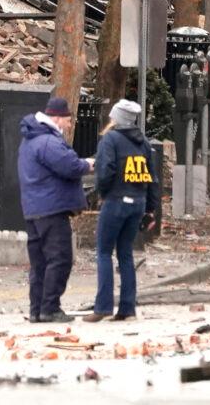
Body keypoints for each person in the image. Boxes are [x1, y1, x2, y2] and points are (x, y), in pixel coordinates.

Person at [83, 99, 159, 322]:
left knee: (104, 252)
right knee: (125, 254)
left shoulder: (111, 140)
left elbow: (105, 171)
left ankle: (104, 306)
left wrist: (103, 194)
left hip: (115, 200)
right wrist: (151, 209)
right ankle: (127, 308)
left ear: (117, 118)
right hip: (137, 203)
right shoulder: (143, 143)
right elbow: (152, 178)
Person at [18, 96, 93, 323]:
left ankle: (37, 309)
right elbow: (69, 166)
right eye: (69, 121)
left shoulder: (30, 139)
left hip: (34, 208)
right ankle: (50, 307)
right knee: (60, 259)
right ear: (58, 119)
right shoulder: (48, 142)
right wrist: (87, 164)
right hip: (51, 208)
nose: (70, 125)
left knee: (39, 262)